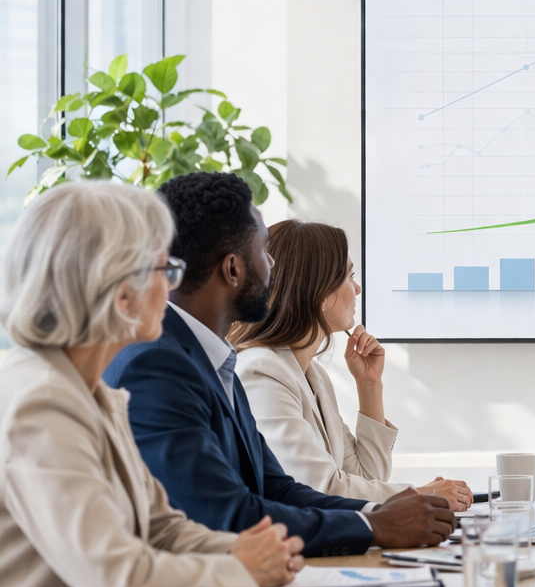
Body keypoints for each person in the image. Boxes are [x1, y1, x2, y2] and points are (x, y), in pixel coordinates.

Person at [0, 182, 303, 587]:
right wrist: (242, 569)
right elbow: (116, 580)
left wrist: (250, 550)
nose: (173, 287)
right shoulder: (42, 400)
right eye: (166, 270)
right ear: (121, 292)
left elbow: (162, 529)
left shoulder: (91, 390)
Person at [104, 172, 454, 558]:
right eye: (265, 252)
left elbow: (277, 488)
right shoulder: (157, 365)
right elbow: (226, 514)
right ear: (233, 269)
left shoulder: (213, 361)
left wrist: (378, 514)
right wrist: (375, 526)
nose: (273, 268)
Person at [230, 220, 471, 509]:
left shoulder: (314, 376)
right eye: (349, 276)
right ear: (320, 293)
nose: (357, 289)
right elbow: (318, 489)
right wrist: (422, 494)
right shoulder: (261, 372)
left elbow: (367, 478)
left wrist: (369, 386)